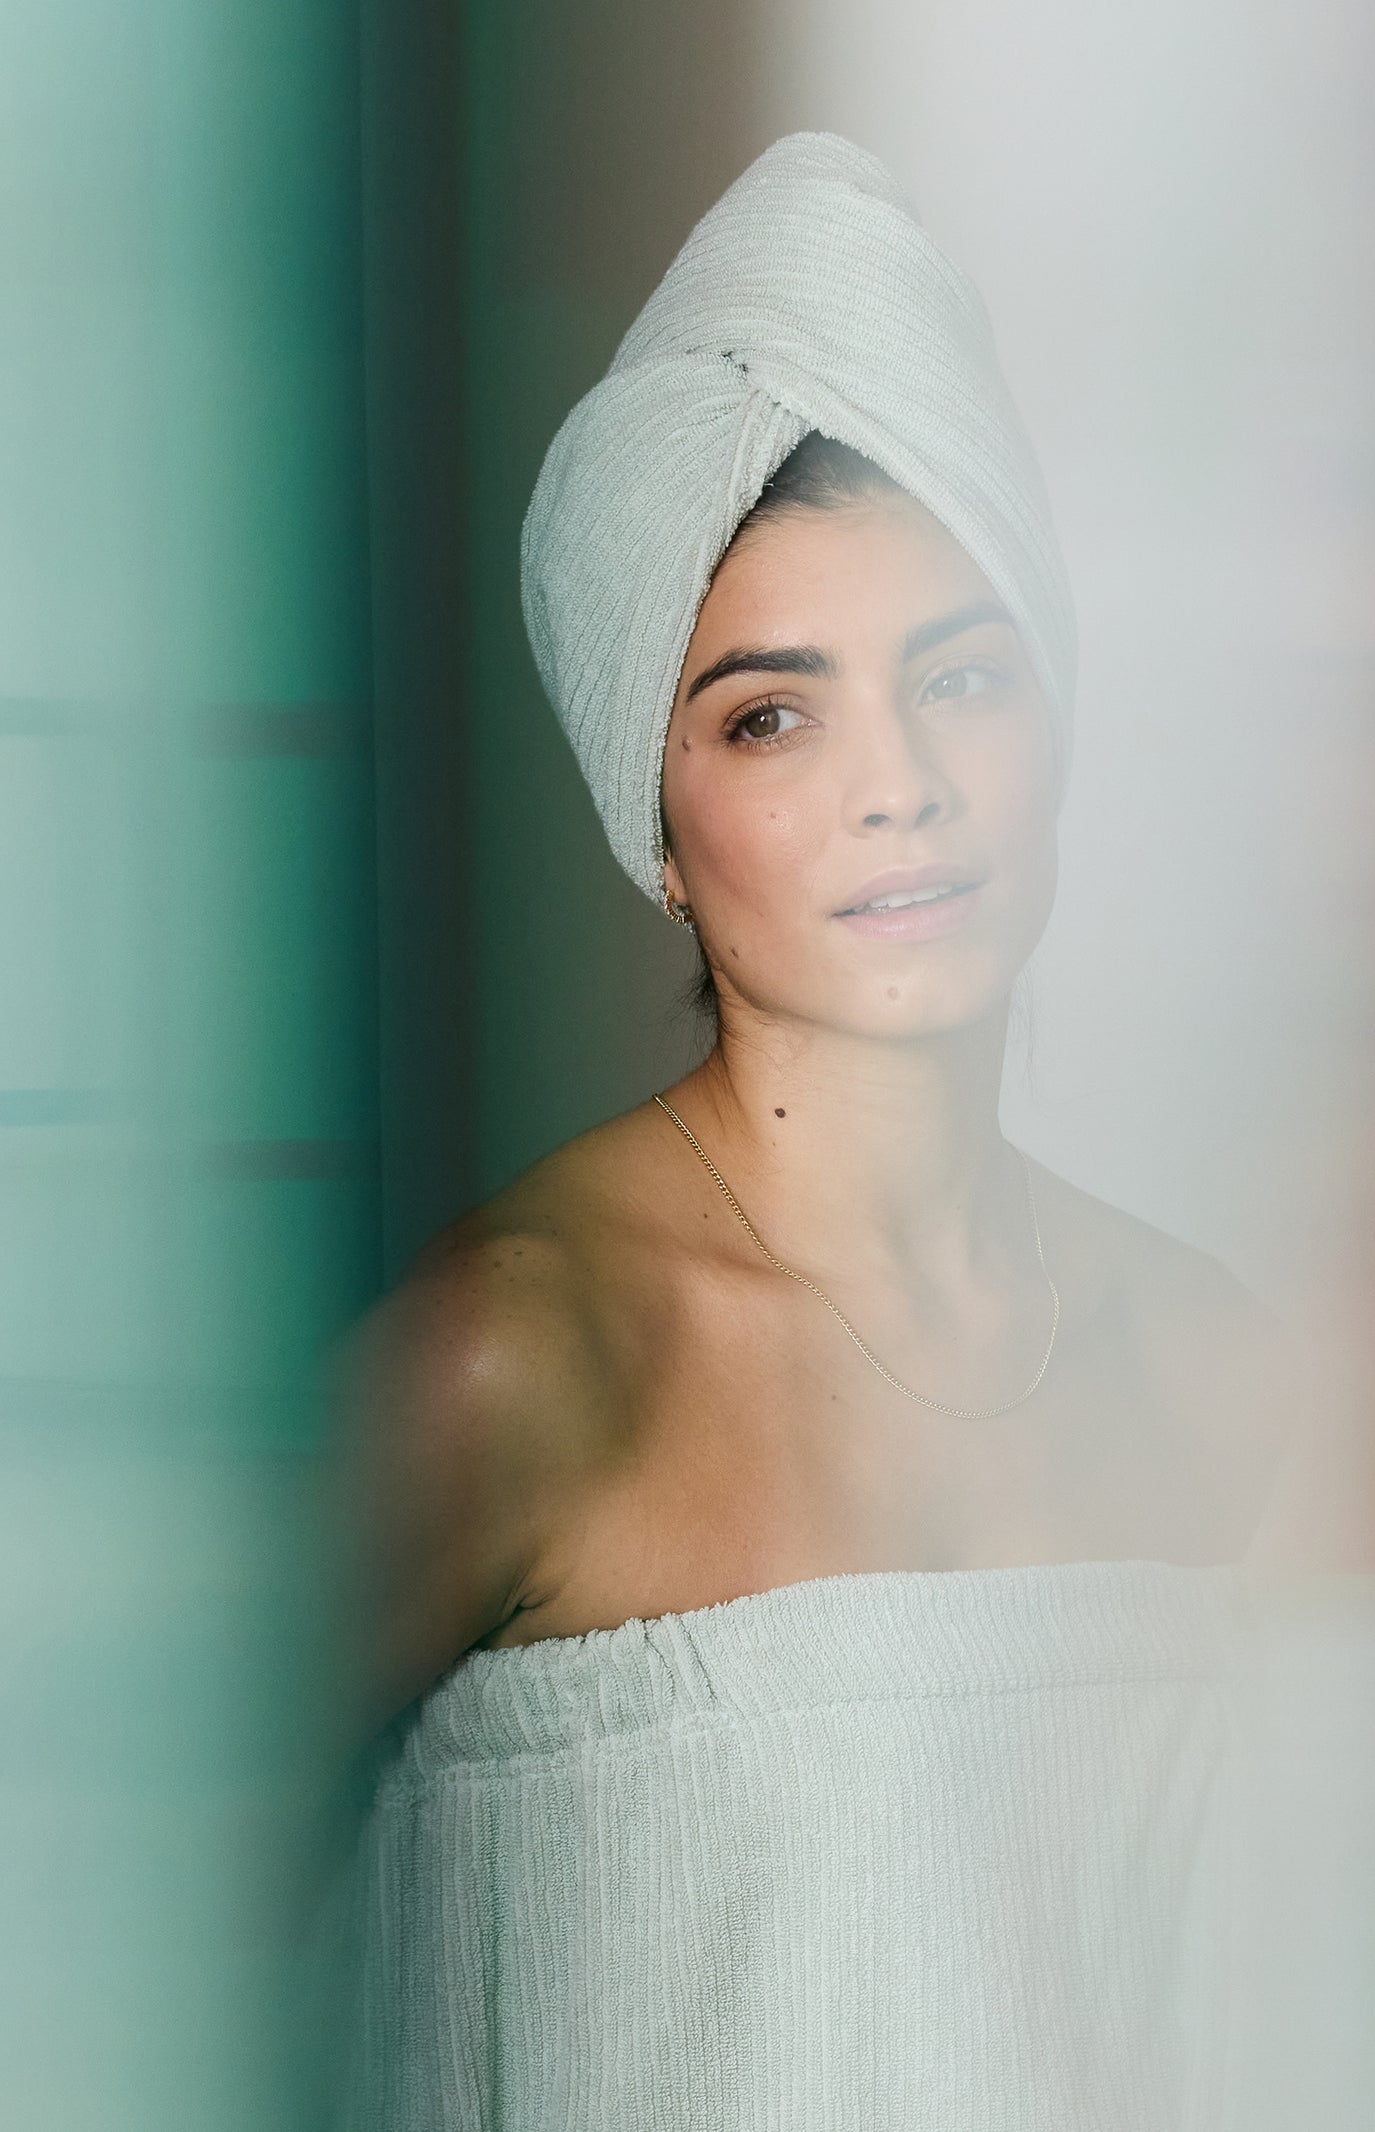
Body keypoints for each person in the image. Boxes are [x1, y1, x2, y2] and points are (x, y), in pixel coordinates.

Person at [327, 132, 1291, 2131]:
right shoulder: (517, 1355)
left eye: (960, 676)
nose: (899, 788)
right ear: (654, 828)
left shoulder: (1207, 1360)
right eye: (772, 713)